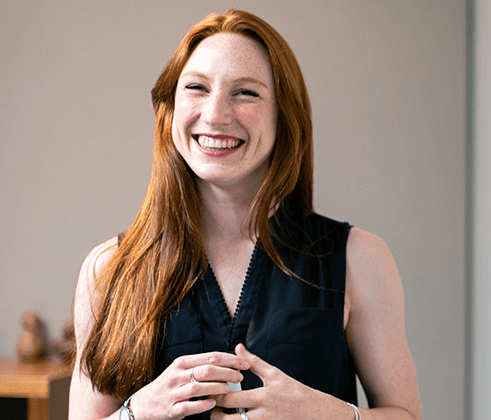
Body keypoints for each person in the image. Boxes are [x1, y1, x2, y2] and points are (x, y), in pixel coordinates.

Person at [69, 10, 422, 420]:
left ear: (283, 116)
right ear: (170, 109)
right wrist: (136, 413)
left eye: (245, 93)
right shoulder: (107, 270)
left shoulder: (359, 259)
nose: (215, 115)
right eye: (197, 88)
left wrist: (326, 413)